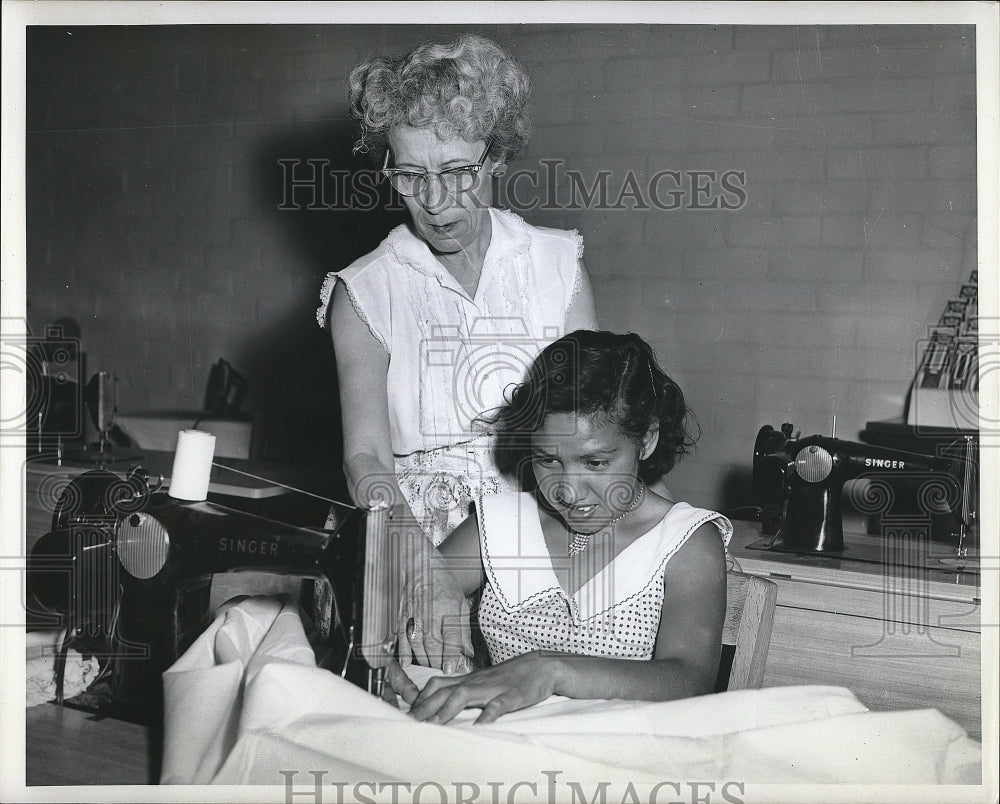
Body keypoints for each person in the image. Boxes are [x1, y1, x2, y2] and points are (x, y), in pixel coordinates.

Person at [316, 34, 597, 668]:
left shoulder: (559, 267)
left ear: (495, 157)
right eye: (410, 175)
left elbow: (590, 431)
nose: (435, 202)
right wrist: (425, 571)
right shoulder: (364, 292)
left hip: (544, 534)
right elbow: (365, 456)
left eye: (456, 173)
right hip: (405, 545)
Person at [384, 330, 732, 725]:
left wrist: (550, 670)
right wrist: (380, 647)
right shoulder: (503, 523)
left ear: (647, 440)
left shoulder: (685, 540)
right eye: (547, 460)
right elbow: (395, 600)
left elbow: (691, 679)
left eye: (596, 463)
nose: (567, 490)